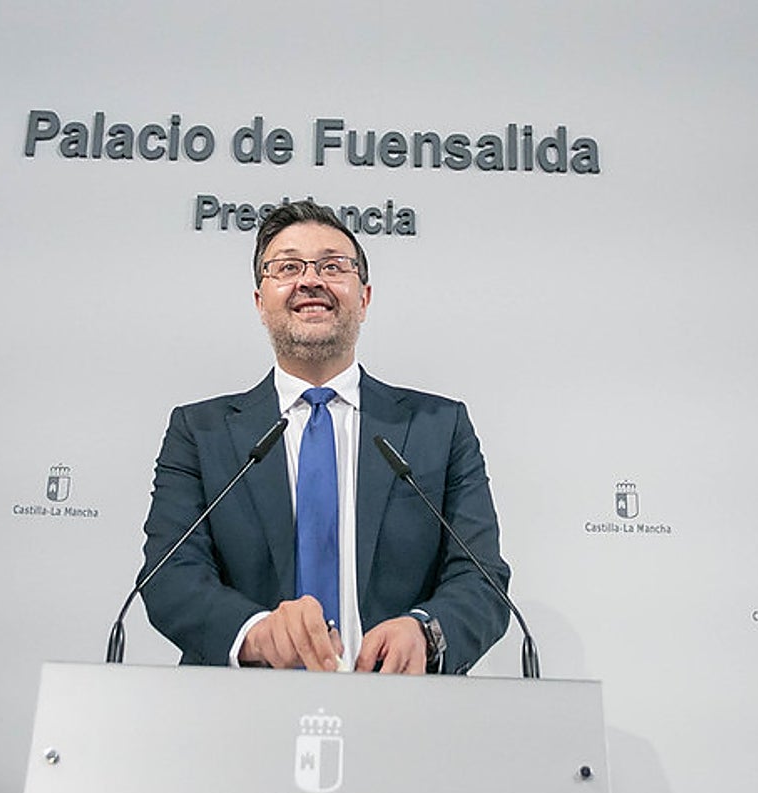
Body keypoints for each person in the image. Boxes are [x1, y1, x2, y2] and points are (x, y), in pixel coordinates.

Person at [139, 200, 509, 674]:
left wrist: (425, 630)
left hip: (402, 710)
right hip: (237, 713)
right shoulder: (200, 432)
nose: (310, 280)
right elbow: (169, 575)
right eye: (288, 267)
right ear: (260, 302)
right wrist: (255, 631)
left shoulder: (440, 426)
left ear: (365, 298)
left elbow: (482, 580)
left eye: (333, 266)